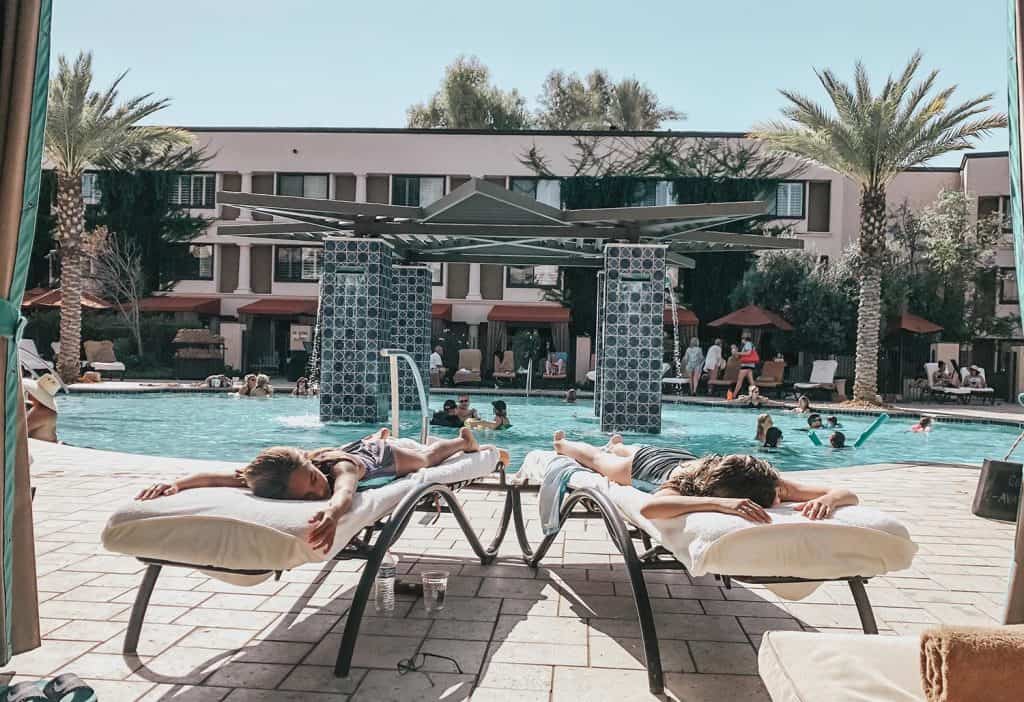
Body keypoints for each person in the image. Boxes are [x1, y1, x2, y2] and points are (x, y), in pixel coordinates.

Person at [136, 427, 487, 553]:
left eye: (314, 483)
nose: (315, 493)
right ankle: (378, 434)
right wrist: (176, 484)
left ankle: (460, 441)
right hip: (355, 450)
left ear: (309, 465)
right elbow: (220, 478)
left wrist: (333, 513)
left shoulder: (339, 470)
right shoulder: (276, 478)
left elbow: (344, 493)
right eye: (305, 497)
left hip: (379, 459)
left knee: (425, 459)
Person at [549, 433, 858, 522]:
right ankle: (564, 443)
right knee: (596, 459)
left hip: (681, 456)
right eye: (775, 498)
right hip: (646, 467)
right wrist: (719, 505)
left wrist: (829, 500)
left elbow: (847, 492)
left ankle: (619, 443)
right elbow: (650, 509)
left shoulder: (768, 484)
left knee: (624, 447)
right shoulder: (682, 486)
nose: (780, 500)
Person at [24, 373, 60, 443]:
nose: (28, 392)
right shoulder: (42, 409)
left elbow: (19, 432)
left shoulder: (42, 412)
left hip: (45, 447)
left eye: (31, 391)